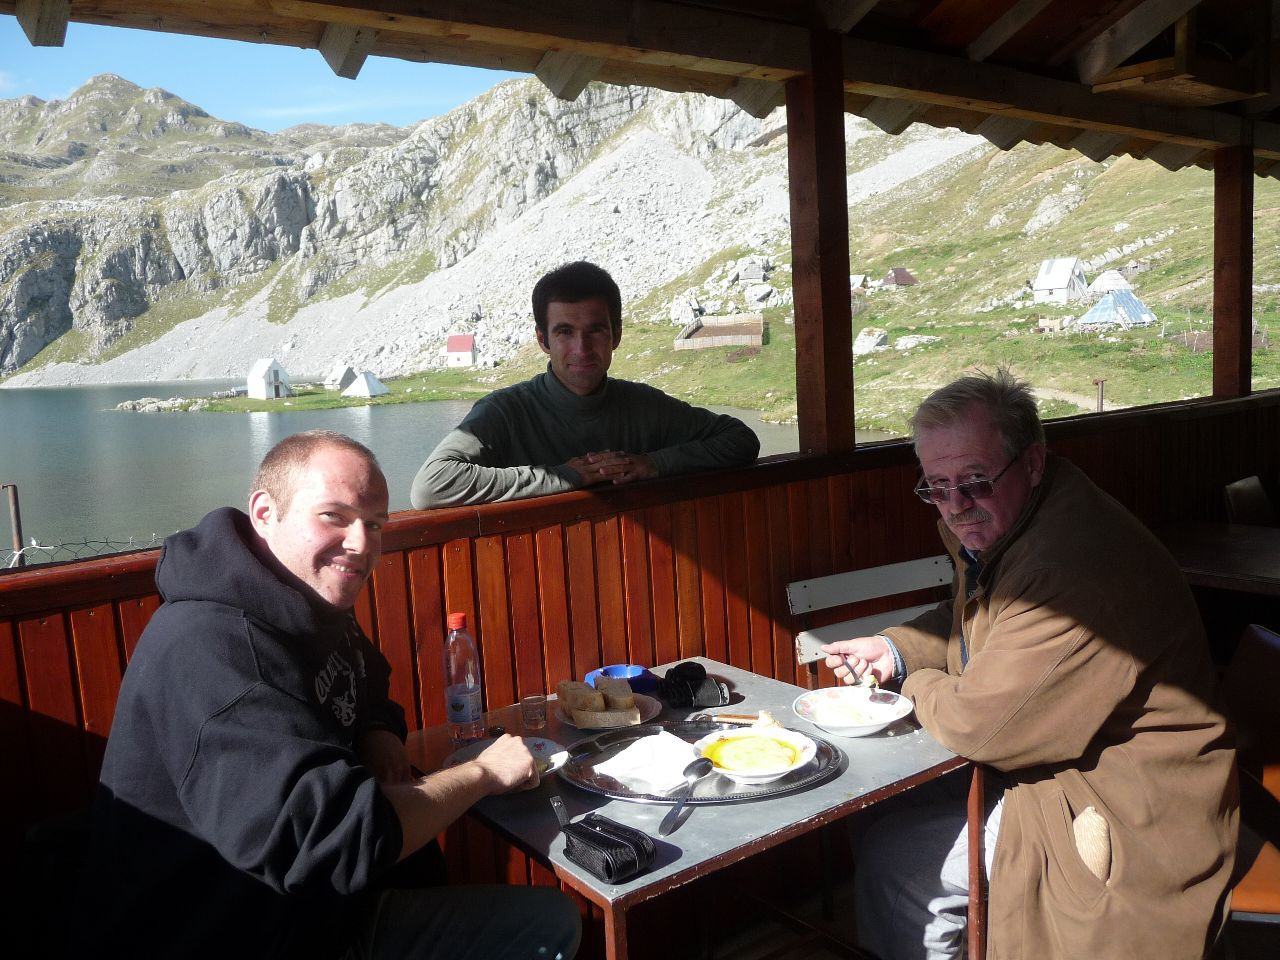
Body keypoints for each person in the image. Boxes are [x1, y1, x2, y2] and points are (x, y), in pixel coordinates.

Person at [79, 430, 580, 960]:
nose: (361, 544)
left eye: (375, 524)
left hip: (317, 906)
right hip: (240, 935)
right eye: (334, 516)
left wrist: (376, 730)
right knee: (548, 925)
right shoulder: (211, 650)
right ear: (265, 513)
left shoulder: (303, 597)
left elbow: (365, 677)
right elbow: (330, 842)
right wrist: (482, 774)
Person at [823, 369, 1236, 960]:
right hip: (1065, 766)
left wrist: (910, 683)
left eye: (975, 481)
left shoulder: (1067, 569)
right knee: (880, 805)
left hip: (1131, 810)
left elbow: (981, 727)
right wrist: (893, 651)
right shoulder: (1022, 525)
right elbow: (975, 618)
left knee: (901, 866)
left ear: (1033, 462)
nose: (956, 505)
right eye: (936, 486)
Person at [411, 260, 760, 508]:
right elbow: (431, 486)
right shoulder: (504, 412)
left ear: (616, 336)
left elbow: (741, 440)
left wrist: (652, 464)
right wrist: (564, 477)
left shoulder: (645, 405)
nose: (582, 348)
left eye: (596, 330)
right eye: (565, 332)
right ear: (543, 340)